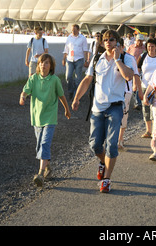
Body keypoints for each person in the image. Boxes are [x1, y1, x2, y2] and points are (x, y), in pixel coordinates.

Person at [72, 30, 134, 193]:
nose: (108, 42)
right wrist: (77, 97)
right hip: (98, 107)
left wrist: (118, 60)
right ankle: (103, 162)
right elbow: (87, 80)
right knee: (94, 144)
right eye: (105, 40)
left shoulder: (126, 58)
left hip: (115, 106)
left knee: (112, 145)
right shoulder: (96, 58)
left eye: (111, 39)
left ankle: (106, 179)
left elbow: (129, 77)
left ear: (118, 42)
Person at [19, 54, 71, 187]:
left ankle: (40, 174)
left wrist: (67, 109)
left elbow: (61, 96)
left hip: (50, 117)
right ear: (38, 65)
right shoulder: (33, 79)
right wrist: (23, 97)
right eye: (42, 62)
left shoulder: (54, 80)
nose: (43, 65)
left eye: (47, 63)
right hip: (37, 117)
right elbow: (25, 91)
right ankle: (48, 167)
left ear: (51, 66)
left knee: (44, 144)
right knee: (39, 145)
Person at [118, 38, 142, 150]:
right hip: (112, 92)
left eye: (118, 46)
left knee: (123, 115)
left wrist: (139, 90)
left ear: (123, 47)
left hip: (125, 91)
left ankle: (120, 139)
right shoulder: (108, 58)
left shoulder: (129, 58)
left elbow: (136, 74)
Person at [137, 38, 156, 138]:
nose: (150, 48)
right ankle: (148, 130)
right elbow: (137, 70)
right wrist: (136, 83)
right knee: (145, 108)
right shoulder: (143, 56)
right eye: (148, 46)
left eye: (152, 46)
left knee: (155, 109)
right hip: (145, 86)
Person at [62, 24, 89, 102]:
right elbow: (66, 49)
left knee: (77, 79)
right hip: (70, 59)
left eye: (74, 30)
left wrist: (86, 60)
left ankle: (75, 95)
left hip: (79, 59)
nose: (72, 31)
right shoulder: (69, 38)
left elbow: (85, 50)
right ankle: (70, 90)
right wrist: (63, 59)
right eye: (72, 30)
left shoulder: (83, 38)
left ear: (78, 30)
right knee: (68, 76)